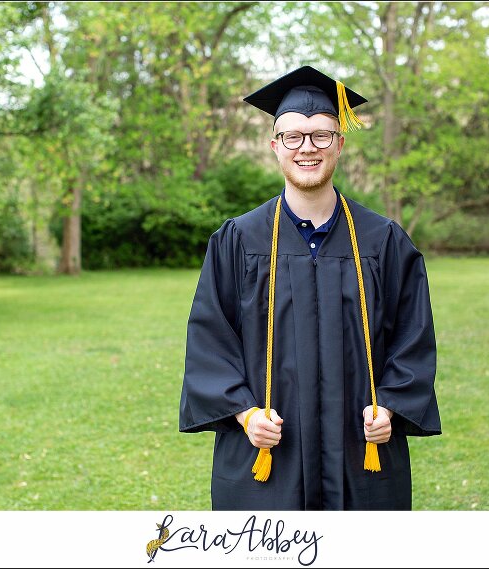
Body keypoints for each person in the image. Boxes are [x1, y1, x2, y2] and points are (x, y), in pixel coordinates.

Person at [178, 65, 441, 510]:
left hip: (361, 455)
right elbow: (210, 339)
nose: (307, 147)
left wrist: (391, 407)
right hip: (268, 456)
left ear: (339, 143)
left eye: (321, 135)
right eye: (293, 136)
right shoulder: (238, 242)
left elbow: (413, 338)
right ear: (275, 146)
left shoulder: (383, 241)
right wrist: (245, 414)